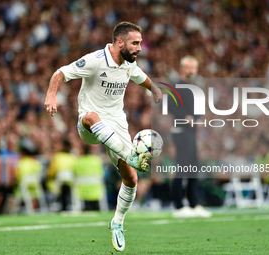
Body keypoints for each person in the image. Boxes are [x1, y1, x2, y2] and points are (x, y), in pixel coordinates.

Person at [44, 21, 162, 252]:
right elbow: (61, 73)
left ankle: (117, 222)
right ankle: (131, 155)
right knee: (90, 116)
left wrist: (155, 90)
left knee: (132, 180)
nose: (139, 48)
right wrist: (51, 96)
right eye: (135, 43)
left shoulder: (129, 63)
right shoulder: (95, 60)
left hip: (117, 123)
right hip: (90, 124)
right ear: (120, 42)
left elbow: (140, 77)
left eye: (140, 43)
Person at [169, 56, 212, 218]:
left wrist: (198, 119)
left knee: (194, 167)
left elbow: (197, 111)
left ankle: (194, 204)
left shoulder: (193, 88)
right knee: (182, 167)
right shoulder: (176, 86)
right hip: (180, 131)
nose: (191, 70)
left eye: (193, 67)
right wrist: (185, 116)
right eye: (188, 67)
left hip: (191, 132)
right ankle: (179, 205)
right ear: (181, 68)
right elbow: (170, 105)